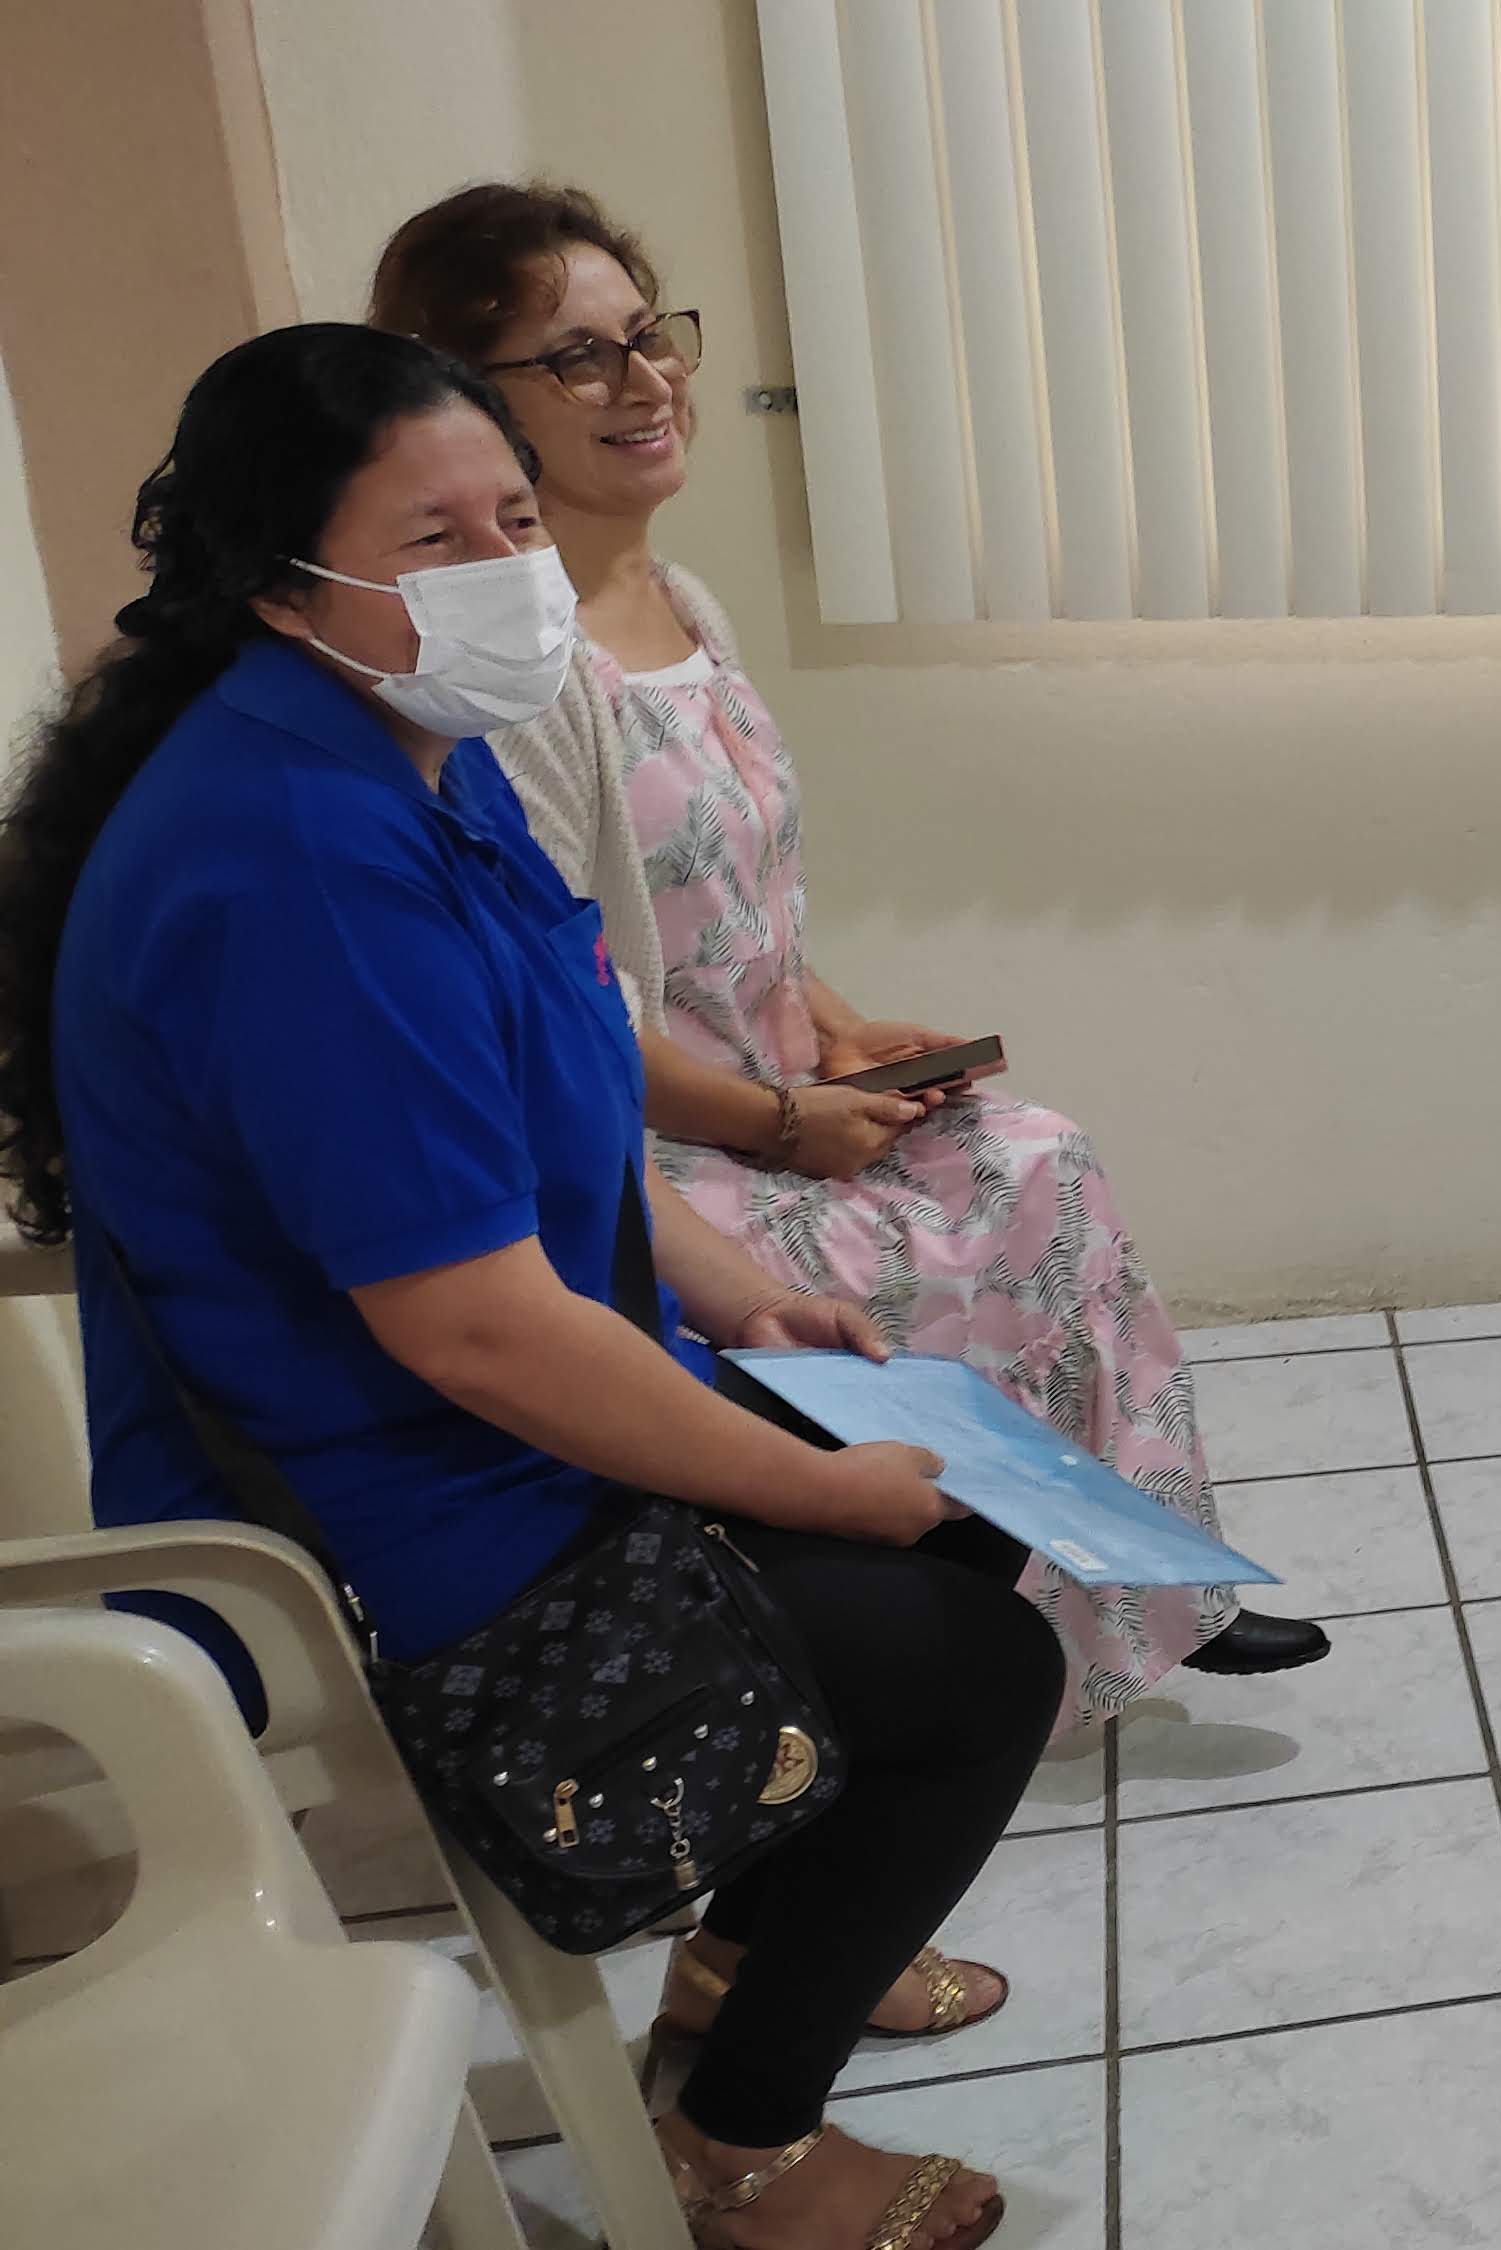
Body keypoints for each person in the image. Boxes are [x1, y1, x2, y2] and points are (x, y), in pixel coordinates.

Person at [0, 324, 1051, 2250]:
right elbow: (466, 1325)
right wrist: (810, 1486)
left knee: (967, 1515)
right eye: (436, 538)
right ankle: (741, 2153)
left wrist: (738, 1302)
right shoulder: (296, 859)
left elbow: (566, 1068)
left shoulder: (409, 752)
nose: (507, 570)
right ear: (277, 586)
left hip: (499, 1402)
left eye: (511, 518)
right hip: (371, 1511)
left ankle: (744, 1966)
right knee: (978, 1674)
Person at [366, 182, 1327, 1713]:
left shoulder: (683, 603)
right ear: (472, 407)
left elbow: (741, 898)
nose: (644, 382)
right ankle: (955, 1643)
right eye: (580, 358)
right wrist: (776, 1120)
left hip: (775, 1099)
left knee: (1037, 1159)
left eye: (649, 338)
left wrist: (840, 1027)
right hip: (653, 1154)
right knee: (935, 1246)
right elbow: (560, 1015)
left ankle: (1132, 1588)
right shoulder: (522, 677)